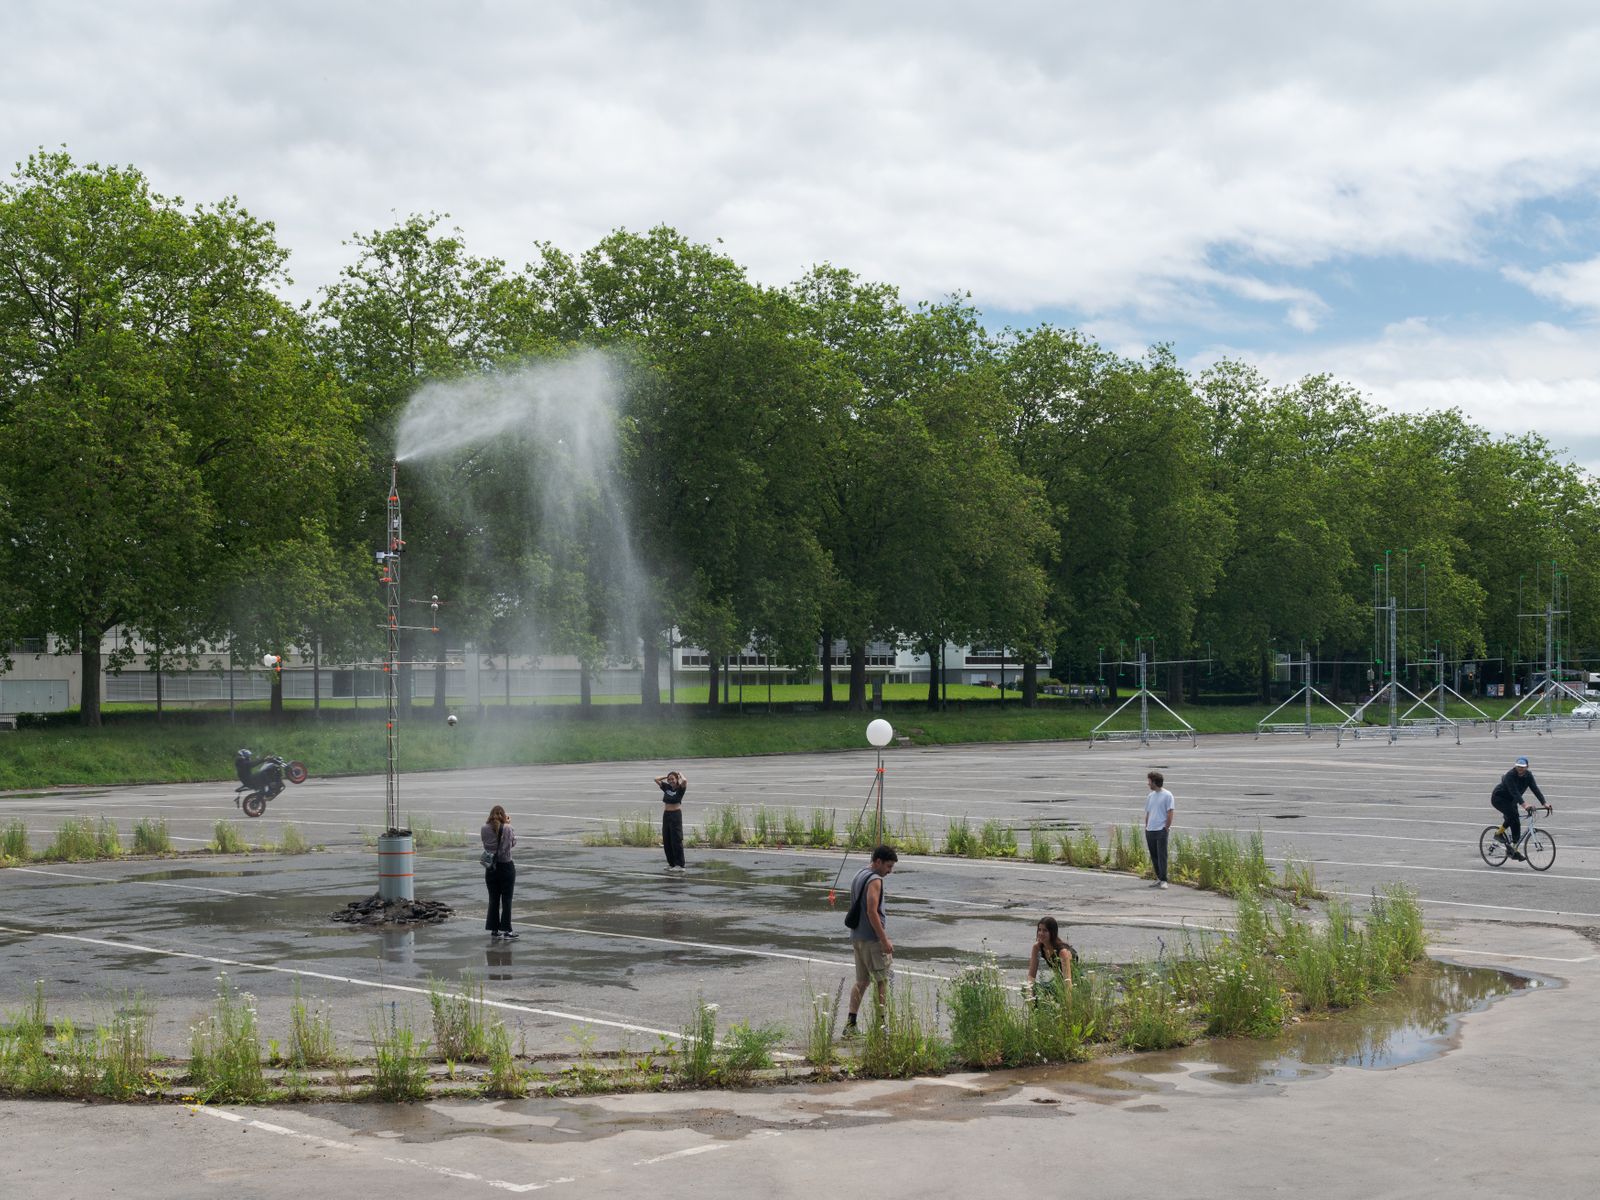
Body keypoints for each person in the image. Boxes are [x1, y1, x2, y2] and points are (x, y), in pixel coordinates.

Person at [844, 844, 898, 1034]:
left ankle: (850, 1026)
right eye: (888, 866)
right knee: (882, 981)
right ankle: (881, 1027)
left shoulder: (859, 874)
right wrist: (884, 940)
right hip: (872, 940)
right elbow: (871, 911)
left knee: (862, 981)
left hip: (857, 937)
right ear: (878, 862)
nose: (889, 871)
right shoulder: (875, 880)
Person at [1490, 756, 1551, 861]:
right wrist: (1525, 805)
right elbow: (1514, 792)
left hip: (1512, 801)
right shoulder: (1510, 775)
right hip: (1499, 798)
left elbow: (1535, 789)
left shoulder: (1528, 776)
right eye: (1518, 766)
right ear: (1515, 766)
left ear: (1527, 767)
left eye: (1522, 767)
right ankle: (1498, 834)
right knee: (1513, 816)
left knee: (1515, 820)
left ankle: (1513, 849)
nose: (1520, 769)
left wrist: (1544, 803)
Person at [481, 804, 518, 939]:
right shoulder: (508, 828)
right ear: (503, 815)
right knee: (506, 899)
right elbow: (511, 844)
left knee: (493, 899)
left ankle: (494, 930)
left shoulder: (484, 828)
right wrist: (508, 825)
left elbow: (486, 844)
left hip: (490, 867)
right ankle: (507, 930)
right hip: (506, 866)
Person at [1027, 916, 1075, 1004]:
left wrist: (1069, 1010)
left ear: (1052, 933)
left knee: (1061, 997)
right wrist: (1030, 996)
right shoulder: (1037, 947)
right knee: (1029, 989)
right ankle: (1039, 1016)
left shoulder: (1062, 952)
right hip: (1058, 981)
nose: (1041, 933)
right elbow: (1031, 976)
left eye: (1045, 930)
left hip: (1075, 982)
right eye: (1039, 930)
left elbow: (1068, 981)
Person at [1143, 770, 1174, 889]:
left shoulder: (1168, 795)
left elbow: (1170, 812)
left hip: (1161, 830)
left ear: (1155, 782)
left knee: (1162, 855)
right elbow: (1148, 812)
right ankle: (1159, 877)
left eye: (1149, 781)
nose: (1148, 784)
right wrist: (1146, 827)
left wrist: (1166, 828)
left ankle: (1164, 880)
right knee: (1154, 855)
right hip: (1150, 830)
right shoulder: (1150, 796)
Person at [655, 770, 687, 871]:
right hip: (666, 815)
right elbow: (656, 779)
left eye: (672, 779)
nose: (670, 781)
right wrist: (666, 776)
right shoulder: (667, 787)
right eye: (669, 779)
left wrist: (679, 774)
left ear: (677, 779)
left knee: (676, 840)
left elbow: (685, 780)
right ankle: (672, 864)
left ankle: (680, 865)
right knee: (667, 839)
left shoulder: (680, 788)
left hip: (676, 815)